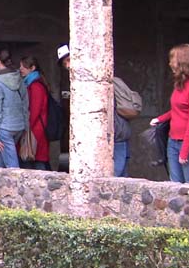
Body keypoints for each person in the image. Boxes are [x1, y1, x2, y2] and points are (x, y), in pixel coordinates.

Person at [57, 43, 141, 177]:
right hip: (116, 134)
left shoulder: (94, 80)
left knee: (115, 178)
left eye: (69, 60)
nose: (67, 66)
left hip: (114, 135)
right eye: (64, 63)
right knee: (120, 178)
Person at [149, 43, 189, 184]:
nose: (170, 64)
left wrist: (185, 150)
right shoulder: (180, 85)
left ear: (183, 62)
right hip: (173, 141)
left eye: (173, 59)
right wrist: (160, 119)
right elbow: (178, 109)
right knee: (174, 186)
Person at [0, 48, 28, 168]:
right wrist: (25, 124)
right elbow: (25, 102)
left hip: (5, 128)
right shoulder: (18, 78)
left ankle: (18, 186)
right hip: (19, 127)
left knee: (12, 168)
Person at [18, 55, 51, 170]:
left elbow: (34, 111)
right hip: (35, 130)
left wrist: (25, 127)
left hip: (35, 132)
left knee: (36, 163)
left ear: (32, 68)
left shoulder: (36, 86)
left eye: (24, 66)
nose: (20, 69)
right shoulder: (32, 84)